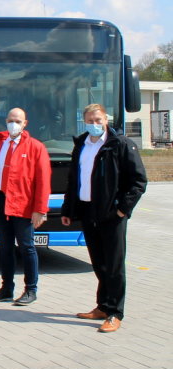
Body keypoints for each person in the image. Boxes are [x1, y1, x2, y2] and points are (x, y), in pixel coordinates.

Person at [62, 103, 147, 333]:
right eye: (90, 120)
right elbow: (74, 180)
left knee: (114, 265)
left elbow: (139, 182)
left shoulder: (120, 144)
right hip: (89, 212)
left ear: (106, 120)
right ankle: (102, 306)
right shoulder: (81, 144)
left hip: (112, 215)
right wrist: (68, 210)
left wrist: (122, 209)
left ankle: (115, 313)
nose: (94, 124)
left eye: (98, 120)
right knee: (98, 263)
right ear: (84, 121)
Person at [0, 107, 51, 306]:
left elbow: (43, 181)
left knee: (27, 247)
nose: (14, 124)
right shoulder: (0, 145)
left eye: (18, 121)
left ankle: (31, 289)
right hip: (1, 203)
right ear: (6, 121)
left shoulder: (36, 147)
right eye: (11, 120)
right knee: (5, 248)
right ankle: (6, 289)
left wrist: (40, 209)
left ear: (25, 123)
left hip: (23, 204)